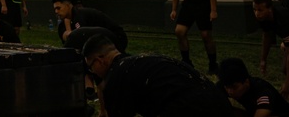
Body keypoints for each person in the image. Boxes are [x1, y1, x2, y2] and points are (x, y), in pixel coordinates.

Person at [82, 34, 234, 117]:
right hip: (219, 104)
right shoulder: (144, 61)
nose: (92, 72)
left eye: (90, 67)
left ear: (100, 60)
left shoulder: (117, 77)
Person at [218, 57, 289, 116]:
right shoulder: (226, 83)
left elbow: (262, 113)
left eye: (234, 87)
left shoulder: (262, 91)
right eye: (227, 87)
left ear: (246, 81)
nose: (230, 92)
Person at [52, 0, 127, 51]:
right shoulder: (65, 22)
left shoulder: (80, 15)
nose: (56, 11)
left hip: (116, 39)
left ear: (68, 6)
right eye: (55, 9)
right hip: (102, 40)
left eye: (58, 8)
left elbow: (80, 36)